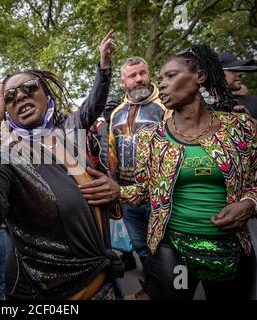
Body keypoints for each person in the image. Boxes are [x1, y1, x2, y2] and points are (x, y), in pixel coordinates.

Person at [0, 31, 126, 300]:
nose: (20, 96)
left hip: (105, 283)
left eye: (29, 87)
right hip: (49, 294)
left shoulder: (69, 134)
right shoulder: (3, 155)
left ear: (46, 94)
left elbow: (94, 104)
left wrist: (113, 191)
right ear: (6, 111)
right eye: (9, 96)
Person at [110, 44, 257, 299]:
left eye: (171, 75)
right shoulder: (151, 138)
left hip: (231, 249)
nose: (163, 85)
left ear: (199, 76)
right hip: (172, 250)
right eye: (161, 79)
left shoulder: (240, 128)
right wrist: (115, 192)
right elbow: (144, 191)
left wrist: (249, 203)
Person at [108, 56, 169, 297]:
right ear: (123, 80)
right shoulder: (116, 113)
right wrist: (113, 186)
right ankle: (151, 287)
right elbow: (111, 152)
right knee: (141, 247)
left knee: (164, 247)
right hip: (127, 196)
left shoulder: (165, 107)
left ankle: (168, 289)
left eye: (142, 73)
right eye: (132, 76)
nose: (139, 79)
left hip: (158, 196)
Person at [218, 52, 257, 118]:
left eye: (240, 69)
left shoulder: (254, 102)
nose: (241, 74)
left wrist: (250, 122)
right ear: (218, 72)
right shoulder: (203, 108)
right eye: (234, 69)